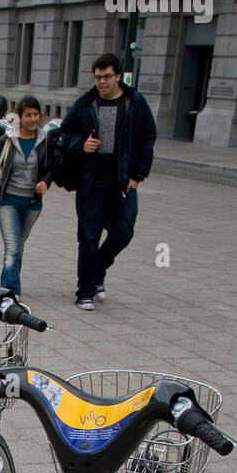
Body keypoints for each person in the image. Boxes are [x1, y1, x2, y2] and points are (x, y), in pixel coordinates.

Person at [59, 52, 156, 310]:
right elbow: (64, 134)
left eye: (107, 77)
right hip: (91, 184)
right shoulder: (86, 103)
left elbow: (148, 138)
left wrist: (137, 176)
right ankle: (85, 291)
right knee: (88, 238)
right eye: (98, 77)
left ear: (118, 76)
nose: (102, 82)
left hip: (123, 183)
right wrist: (82, 144)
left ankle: (98, 269)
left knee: (123, 234)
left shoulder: (135, 102)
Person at [0, 95, 53, 299]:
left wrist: (46, 181)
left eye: (36, 114)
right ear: (19, 116)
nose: (32, 119)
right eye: (28, 115)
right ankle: (12, 291)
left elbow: (51, 168)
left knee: (18, 246)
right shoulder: (7, 140)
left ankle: (6, 282)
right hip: (8, 201)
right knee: (12, 247)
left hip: (32, 204)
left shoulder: (45, 140)